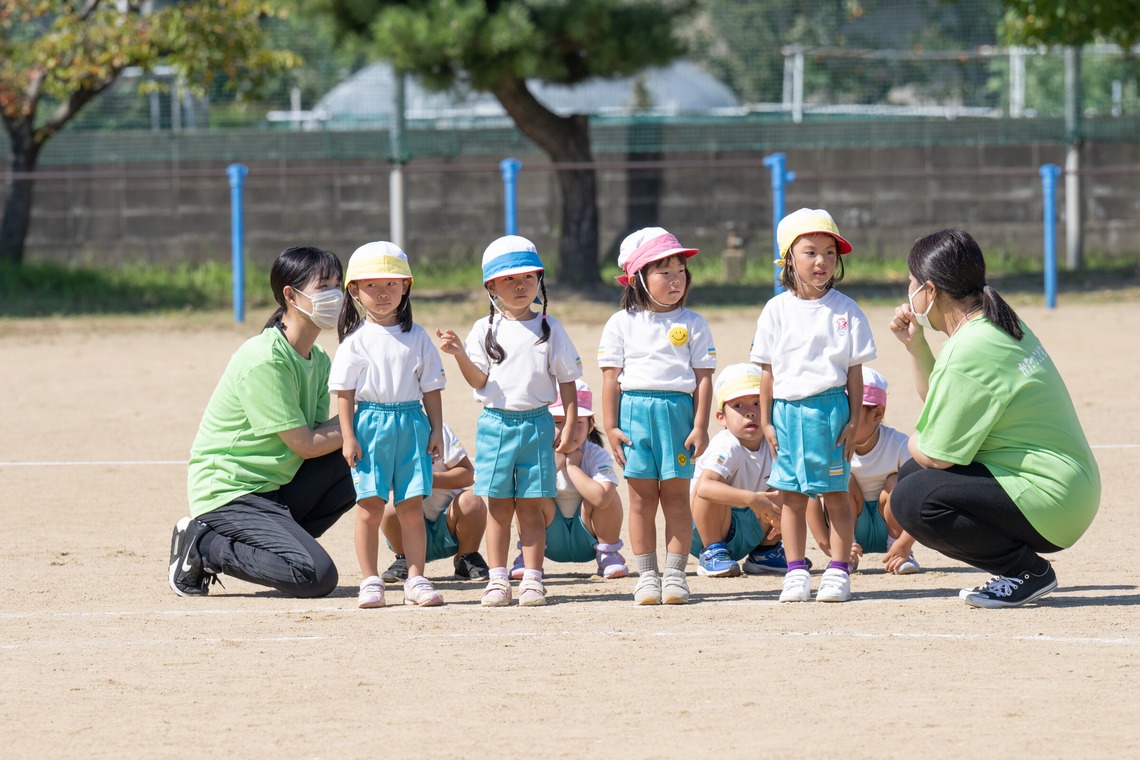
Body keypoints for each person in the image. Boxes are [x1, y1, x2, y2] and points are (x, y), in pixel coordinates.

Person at [888, 228, 1100, 608]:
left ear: (931, 291)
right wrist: (916, 344)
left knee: (912, 498)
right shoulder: (995, 322)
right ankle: (1021, 568)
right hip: (1069, 488)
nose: (909, 291)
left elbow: (935, 455)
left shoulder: (969, 349)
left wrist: (912, 439)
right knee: (913, 478)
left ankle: (1025, 572)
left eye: (911, 282)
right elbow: (942, 400)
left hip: (1053, 501)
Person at [169, 245, 356, 599]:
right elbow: (304, 443)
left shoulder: (317, 359)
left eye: (338, 285)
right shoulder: (264, 358)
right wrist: (364, 417)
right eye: (324, 286)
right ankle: (205, 545)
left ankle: (279, 543)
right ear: (291, 294)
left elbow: (322, 440)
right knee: (315, 576)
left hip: (275, 488)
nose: (335, 295)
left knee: (355, 459)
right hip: (231, 492)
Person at [437, 235, 582, 607]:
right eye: (509, 280)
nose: (521, 286)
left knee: (531, 506)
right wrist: (457, 354)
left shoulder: (551, 328)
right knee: (499, 506)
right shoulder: (484, 329)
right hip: (495, 426)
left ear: (539, 281)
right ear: (491, 286)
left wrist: (567, 423)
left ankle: (533, 578)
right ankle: (498, 580)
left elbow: (567, 379)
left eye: (529, 278)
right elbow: (478, 380)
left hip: (537, 424)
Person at [751, 208, 877, 603]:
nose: (821, 261)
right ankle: (794, 571)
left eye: (829, 252)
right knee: (792, 496)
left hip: (831, 411)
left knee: (835, 493)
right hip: (787, 414)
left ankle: (838, 570)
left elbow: (854, 373)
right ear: (789, 258)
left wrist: (854, 419)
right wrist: (768, 419)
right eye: (810, 252)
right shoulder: (775, 310)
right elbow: (767, 372)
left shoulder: (847, 310)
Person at [599, 227, 716, 605]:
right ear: (638, 279)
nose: (675, 280)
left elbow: (703, 380)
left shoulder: (694, 323)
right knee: (641, 499)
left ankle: (676, 574)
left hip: (678, 416)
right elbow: (610, 380)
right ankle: (647, 574)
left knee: (678, 499)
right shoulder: (621, 323)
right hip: (634, 416)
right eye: (663, 271)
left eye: (680, 270)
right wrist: (612, 426)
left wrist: (700, 425)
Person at [329, 241, 448, 608]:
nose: (382, 294)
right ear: (354, 290)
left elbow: (431, 389)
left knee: (411, 507)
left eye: (391, 285)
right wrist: (348, 436)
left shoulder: (419, 337)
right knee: (370, 506)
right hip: (370, 426)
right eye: (372, 286)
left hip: (412, 424)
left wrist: (436, 429)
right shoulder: (355, 341)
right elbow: (345, 394)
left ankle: (416, 578)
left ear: (406, 287)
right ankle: (369, 580)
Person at [508, 380, 629, 580]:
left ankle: (608, 554)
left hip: (589, 537)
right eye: (557, 422)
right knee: (529, 495)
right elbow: (523, 488)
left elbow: (601, 500)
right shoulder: (536, 453)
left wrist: (572, 467)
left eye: (578, 422)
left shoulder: (595, 454)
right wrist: (556, 463)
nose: (568, 429)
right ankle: (527, 556)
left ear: (591, 425)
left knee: (608, 494)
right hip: (546, 537)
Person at [807, 366, 920, 574]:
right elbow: (810, 497)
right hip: (847, 524)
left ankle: (898, 553)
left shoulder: (899, 444)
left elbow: (922, 497)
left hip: (889, 524)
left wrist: (905, 543)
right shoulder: (829, 447)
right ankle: (844, 551)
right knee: (844, 480)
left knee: (896, 484)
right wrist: (827, 546)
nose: (842, 418)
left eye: (850, 411)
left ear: (877, 414)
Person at [689, 364, 785, 579]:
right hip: (707, 529)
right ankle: (712, 552)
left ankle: (766, 551)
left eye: (758, 403)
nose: (750, 411)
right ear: (721, 417)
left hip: (751, 525)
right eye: (738, 405)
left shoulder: (774, 441)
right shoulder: (727, 444)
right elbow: (705, 487)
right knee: (710, 488)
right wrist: (751, 499)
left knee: (787, 485)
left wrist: (783, 518)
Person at [379, 423, 490, 584]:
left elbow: (467, 474)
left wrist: (429, 480)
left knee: (472, 501)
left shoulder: (437, 430)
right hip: (407, 525)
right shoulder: (383, 434)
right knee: (389, 504)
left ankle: (466, 557)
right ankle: (404, 557)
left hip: (449, 525)